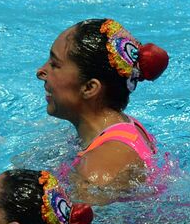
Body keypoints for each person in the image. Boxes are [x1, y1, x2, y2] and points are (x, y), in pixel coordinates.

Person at [36, 19, 169, 198]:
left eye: (55, 65)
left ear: (90, 88)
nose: (40, 72)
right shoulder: (123, 125)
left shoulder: (97, 170)